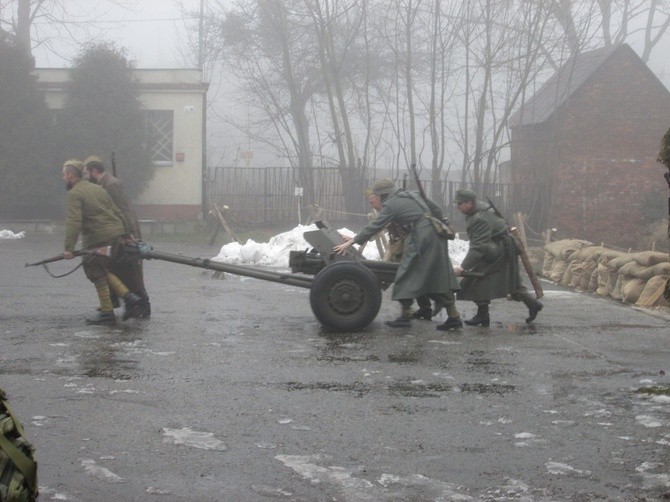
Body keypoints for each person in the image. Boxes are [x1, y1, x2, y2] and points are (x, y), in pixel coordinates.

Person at [334, 179, 462, 330]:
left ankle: (406, 315)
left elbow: (376, 225)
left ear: (381, 194)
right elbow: (436, 209)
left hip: (420, 237)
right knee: (437, 273)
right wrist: (442, 222)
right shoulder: (412, 194)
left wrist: (352, 241)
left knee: (405, 273)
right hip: (435, 232)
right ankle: (453, 316)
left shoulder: (391, 204)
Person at [62, 159, 142, 325]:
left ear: (70, 175)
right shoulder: (98, 188)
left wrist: (69, 248)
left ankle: (107, 312)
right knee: (103, 269)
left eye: (64, 175)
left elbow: (74, 222)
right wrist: (126, 233)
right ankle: (129, 297)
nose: (63, 178)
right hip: (115, 234)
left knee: (95, 270)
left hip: (98, 237)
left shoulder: (75, 193)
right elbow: (116, 210)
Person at [452, 189, 543, 326]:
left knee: (476, 280)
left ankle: (483, 315)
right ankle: (533, 304)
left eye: (459, 204)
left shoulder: (480, 218)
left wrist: (463, 267)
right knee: (511, 281)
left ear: (469, 203)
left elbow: (478, 247)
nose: (457, 207)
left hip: (497, 250)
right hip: (501, 247)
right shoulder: (478, 211)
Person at [83, 155, 151, 318]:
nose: (84, 176)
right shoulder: (102, 185)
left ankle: (142, 306)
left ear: (94, 170)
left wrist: (131, 235)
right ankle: (118, 301)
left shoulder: (111, 184)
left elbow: (124, 210)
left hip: (125, 234)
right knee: (111, 267)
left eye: (86, 172)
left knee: (131, 272)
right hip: (116, 233)